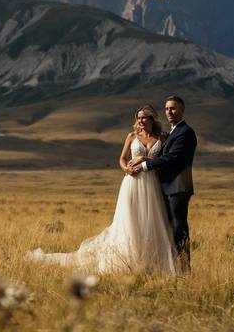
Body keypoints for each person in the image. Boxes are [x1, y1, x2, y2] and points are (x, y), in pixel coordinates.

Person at [27, 106, 176, 274]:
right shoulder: (132, 136)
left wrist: (145, 158)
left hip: (152, 183)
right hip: (132, 182)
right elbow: (122, 158)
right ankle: (127, 261)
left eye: (144, 118)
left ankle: (150, 262)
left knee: (150, 222)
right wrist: (125, 169)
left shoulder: (162, 138)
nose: (141, 121)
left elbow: (165, 159)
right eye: (138, 118)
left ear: (152, 119)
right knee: (130, 221)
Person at [127, 95, 197, 272]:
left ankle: (184, 269)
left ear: (182, 109)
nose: (169, 112)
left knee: (179, 229)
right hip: (164, 187)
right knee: (167, 230)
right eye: (166, 109)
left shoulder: (185, 132)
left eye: (173, 108)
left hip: (177, 188)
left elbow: (172, 158)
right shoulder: (172, 132)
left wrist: (144, 164)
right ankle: (171, 267)